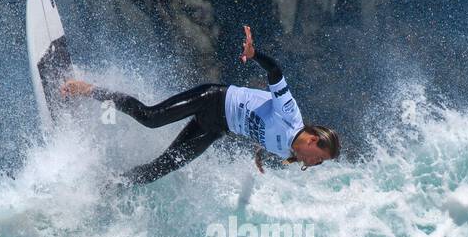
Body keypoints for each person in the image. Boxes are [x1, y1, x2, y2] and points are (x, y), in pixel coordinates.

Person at [59, 26, 340, 184]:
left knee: (159, 170)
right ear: (314, 140)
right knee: (150, 117)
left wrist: (259, 151)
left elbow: (265, 131)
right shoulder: (291, 114)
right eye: (319, 158)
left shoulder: (289, 149)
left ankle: (108, 185)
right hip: (213, 100)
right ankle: (89, 89)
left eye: (318, 163)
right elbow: (275, 73)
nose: (315, 164)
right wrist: (255, 55)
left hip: (215, 129)